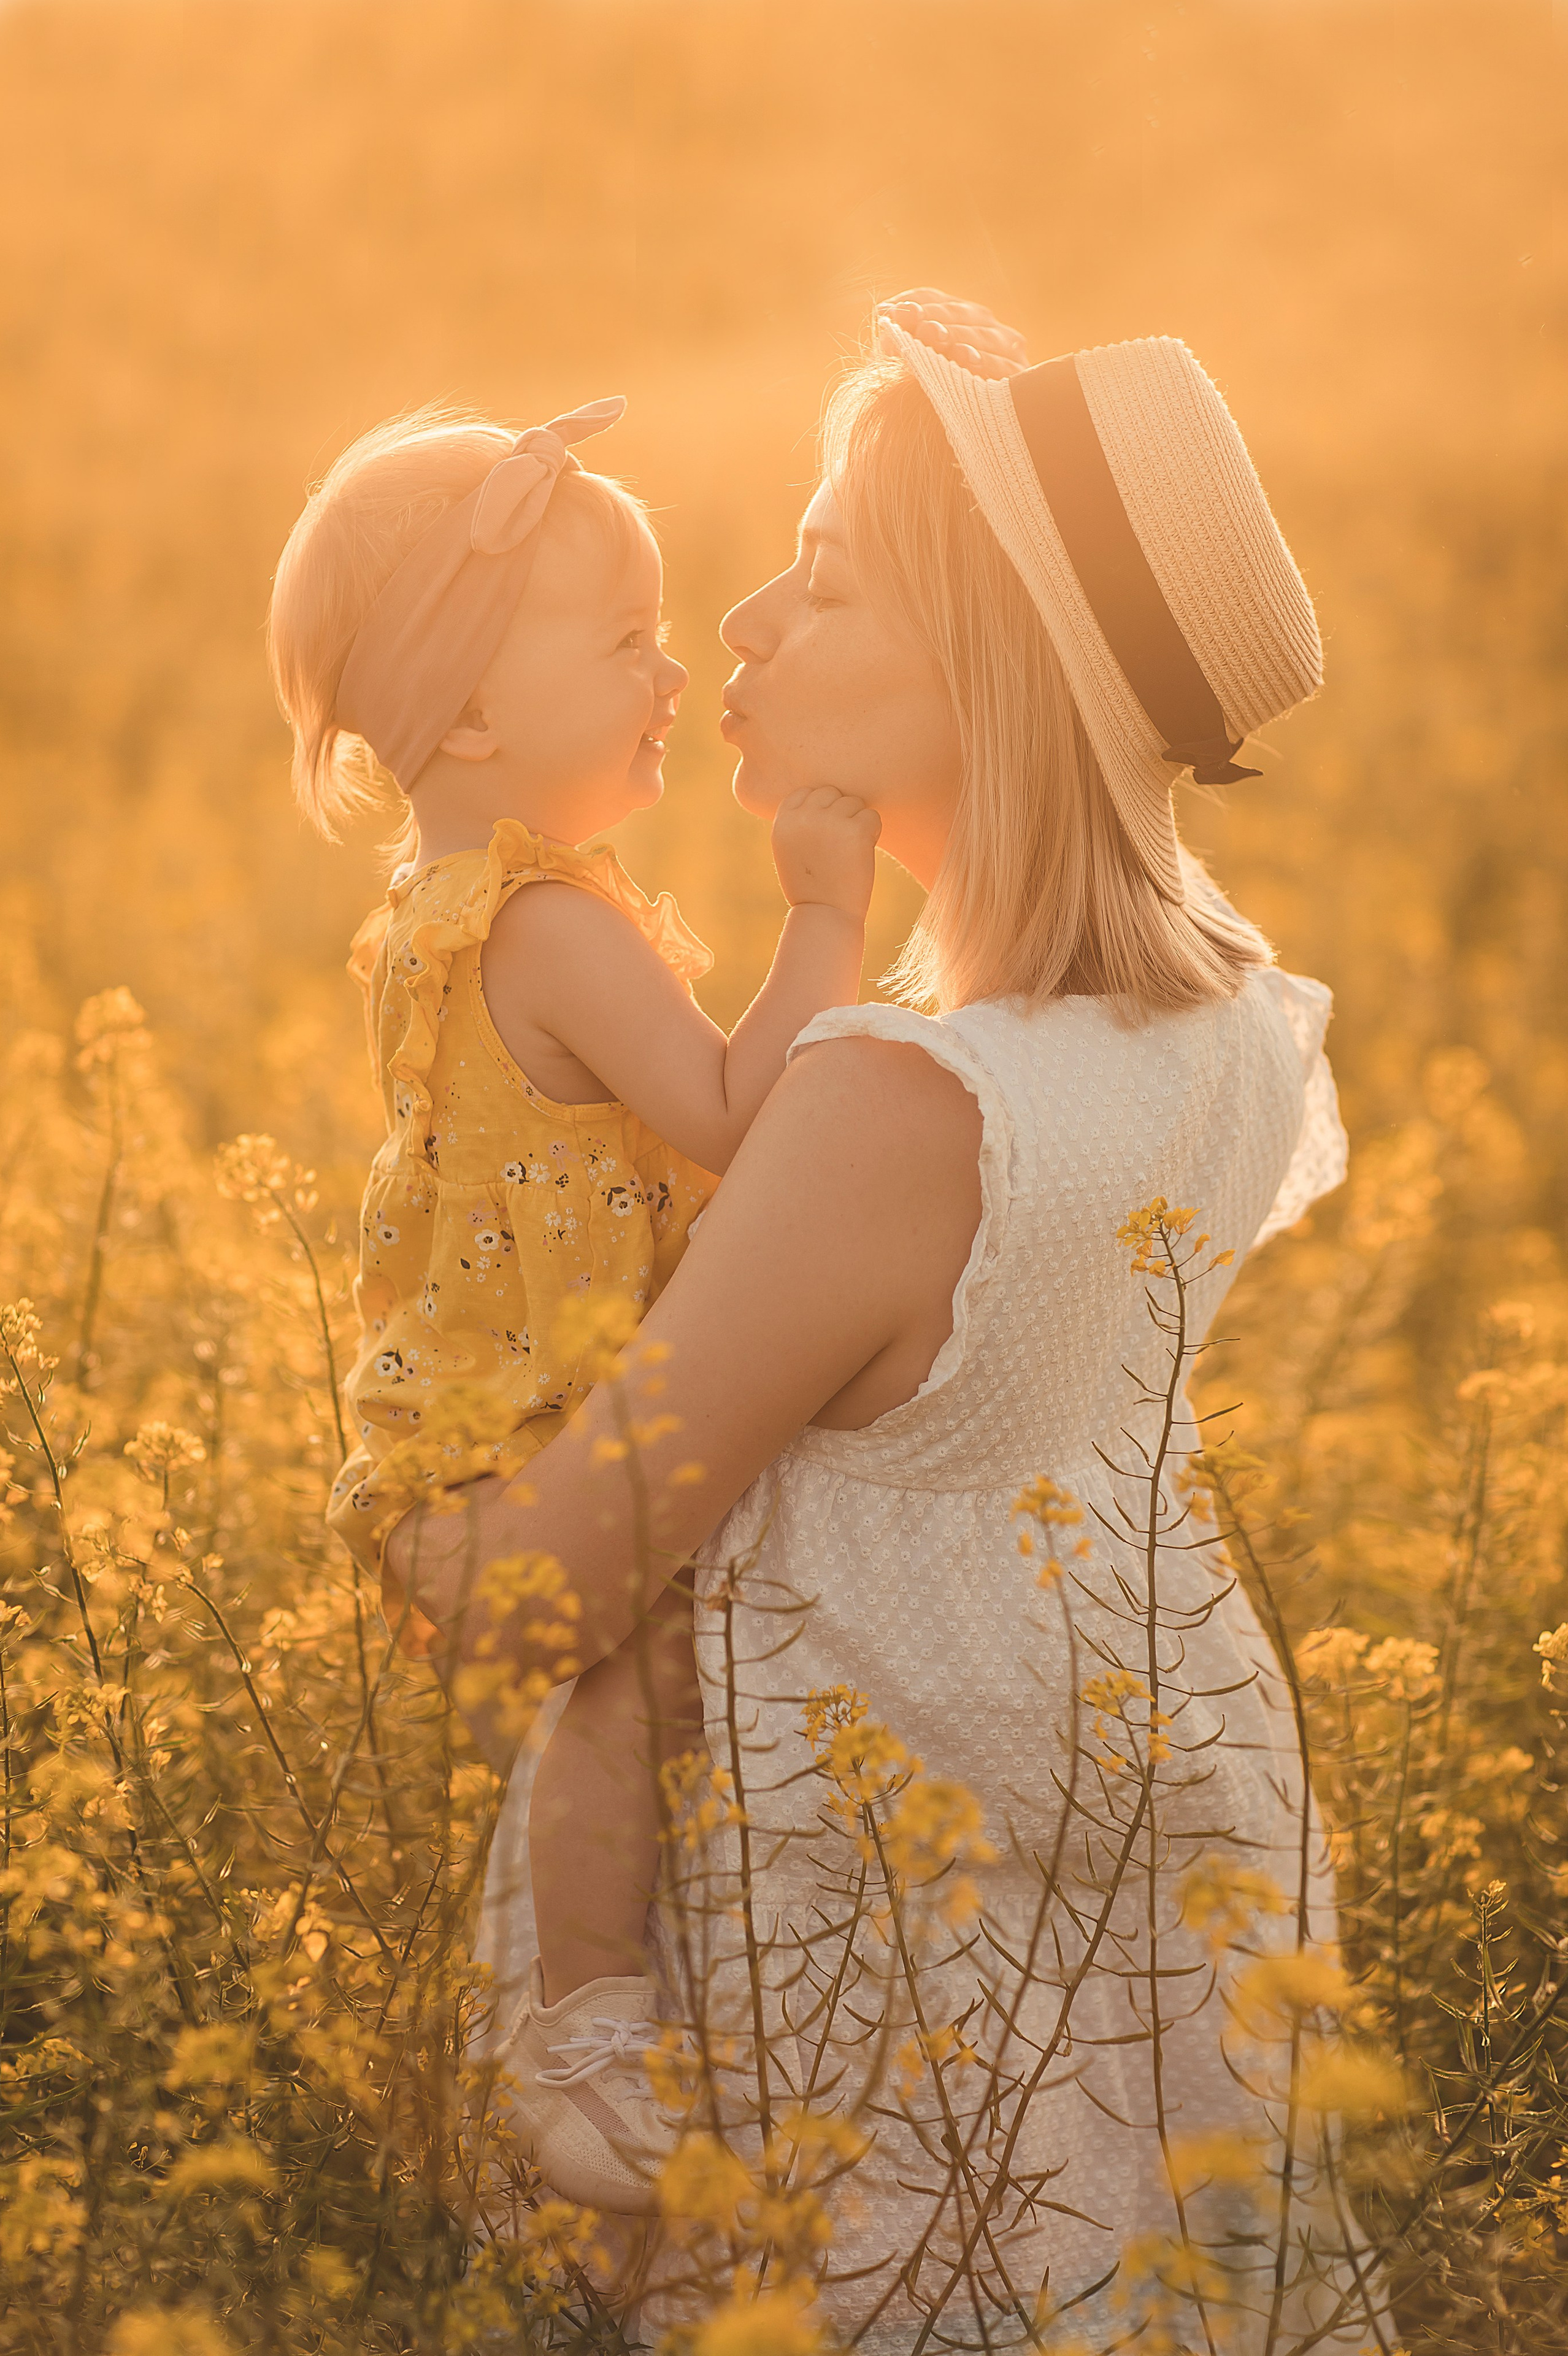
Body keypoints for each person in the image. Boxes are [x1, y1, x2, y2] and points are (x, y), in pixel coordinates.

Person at [388, 296, 1372, 2349]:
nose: (734, 625)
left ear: (983, 666)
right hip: (1132, 1961)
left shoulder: (889, 1107)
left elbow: (534, 1600)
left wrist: (405, 1464)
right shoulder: (1221, 1025)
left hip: (877, 2026)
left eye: (822, 577)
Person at [266, 397, 880, 2213]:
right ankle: (581, 2032)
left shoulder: (447, 901)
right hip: (509, 1452)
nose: (676, 671)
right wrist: (828, 926)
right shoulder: (543, 922)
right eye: (622, 641)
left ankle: (600, 2005)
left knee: (639, 1699)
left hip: (467, 1435)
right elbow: (725, 1113)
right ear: (469, 718)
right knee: (621, 1691)